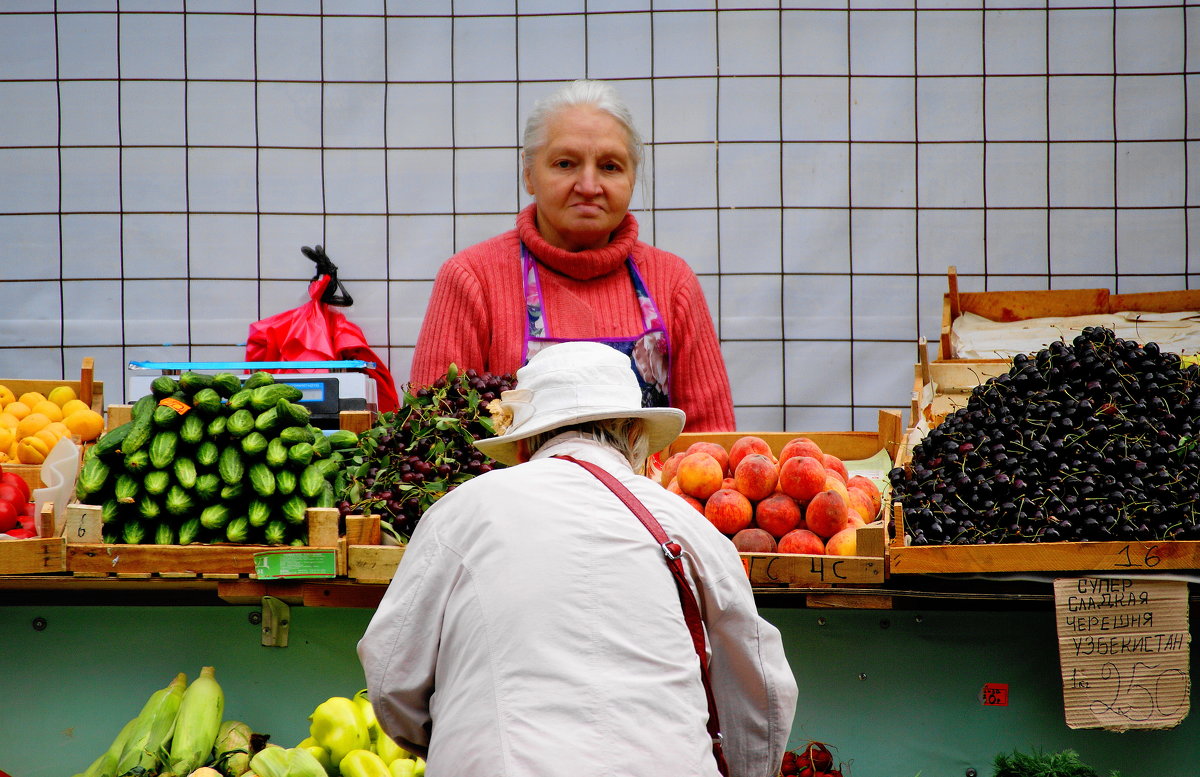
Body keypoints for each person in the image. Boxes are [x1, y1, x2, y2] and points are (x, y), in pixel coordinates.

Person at [358, 341, 797, 777]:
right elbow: (761, 689)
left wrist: (461, 738)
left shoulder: (459, 513)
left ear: (523, 445)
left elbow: (390, 674)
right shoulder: (686, 525)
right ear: (634, 436)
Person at [409, 79, 736, 432]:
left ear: (632, 176)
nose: (589, 186)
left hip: (642, 489)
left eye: (610, 166)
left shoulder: (672, 282)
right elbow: (431, 441)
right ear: (529, 173)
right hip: (512, 489)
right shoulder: (472, 279)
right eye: (565, 164)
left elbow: (710, 447)